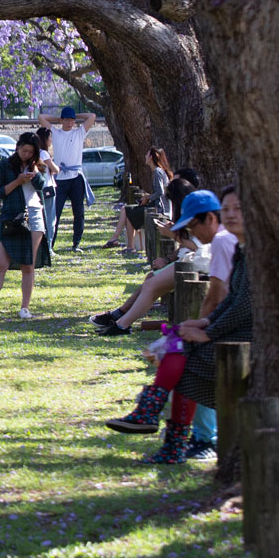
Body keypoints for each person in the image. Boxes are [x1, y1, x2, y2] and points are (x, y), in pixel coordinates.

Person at [104, 187, 252, 464]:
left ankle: (169, 428)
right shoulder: (238, 247)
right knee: (175, 343)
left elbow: (237, 303)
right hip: (229, 330)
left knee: (179, 353)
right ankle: (162, 427)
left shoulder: (228, 244)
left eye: (238, 209)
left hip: (244, 338)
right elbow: (234, 301)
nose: (231, 215)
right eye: (227, 208)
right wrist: (203, 323)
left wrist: (206, 332)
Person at [95, 188, 236, 337]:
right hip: (218, 324)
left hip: (228, 329)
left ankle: (121, 324)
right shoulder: (222, 239)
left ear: (210, 219)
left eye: (192, 226)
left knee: (176, 354)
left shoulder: (221, 241)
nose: (192, 233)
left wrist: (202, 332)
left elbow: (217, 297)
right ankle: (121, 320)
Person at [0, 132, 50, 321]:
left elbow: (42, 186)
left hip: (34, 216)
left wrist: (33, 173)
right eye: (23, 150)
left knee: (28, 265)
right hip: (11, 217)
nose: (25, 154)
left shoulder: (37, 165)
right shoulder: (5, 165)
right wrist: (18, 181)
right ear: (17, 147)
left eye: (30, 152)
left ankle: (25, 308)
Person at [39, 106, 97, 253]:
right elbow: (42, 118)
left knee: (78, 212)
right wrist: (59, 118)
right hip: (60, 179)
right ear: (62, 120)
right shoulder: (56, 133)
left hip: (76, 177)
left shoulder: (79, 133)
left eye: (72, 120)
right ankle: (50, 244)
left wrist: (74, 114)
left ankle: (76, 244)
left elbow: (92, 115)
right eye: (67, 119)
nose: (70, 122)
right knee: (55, 212)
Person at [104, 147, 172, 252]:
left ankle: (117, 239)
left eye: (147, 154)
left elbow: (160, 192)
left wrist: (147, 197)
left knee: (126, 210)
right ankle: (127, 245)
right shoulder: (157, 171)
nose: (145, 156)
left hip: (159, 210)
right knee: (127, 211)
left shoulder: (158, 172)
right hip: (155, 206)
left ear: (151, 158)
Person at [35, 127, 60, 251]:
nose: (51, 140)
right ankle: (48, 248)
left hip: (39, 190)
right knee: (50, 220)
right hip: (48, 189)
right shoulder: (44, 153)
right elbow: (55, 169)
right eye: (50, 137)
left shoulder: (35, 153)